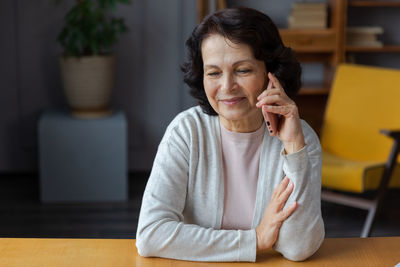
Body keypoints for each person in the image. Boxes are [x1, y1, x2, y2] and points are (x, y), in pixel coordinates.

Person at [136, 7, 324, 262]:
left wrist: (293, 147)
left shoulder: (301, 139)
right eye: (213, 72)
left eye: (243, 70)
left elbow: (298, 247)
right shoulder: (186, 132)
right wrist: (254, 240)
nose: (226, 87)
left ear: (272, 74)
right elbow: (150, 235)